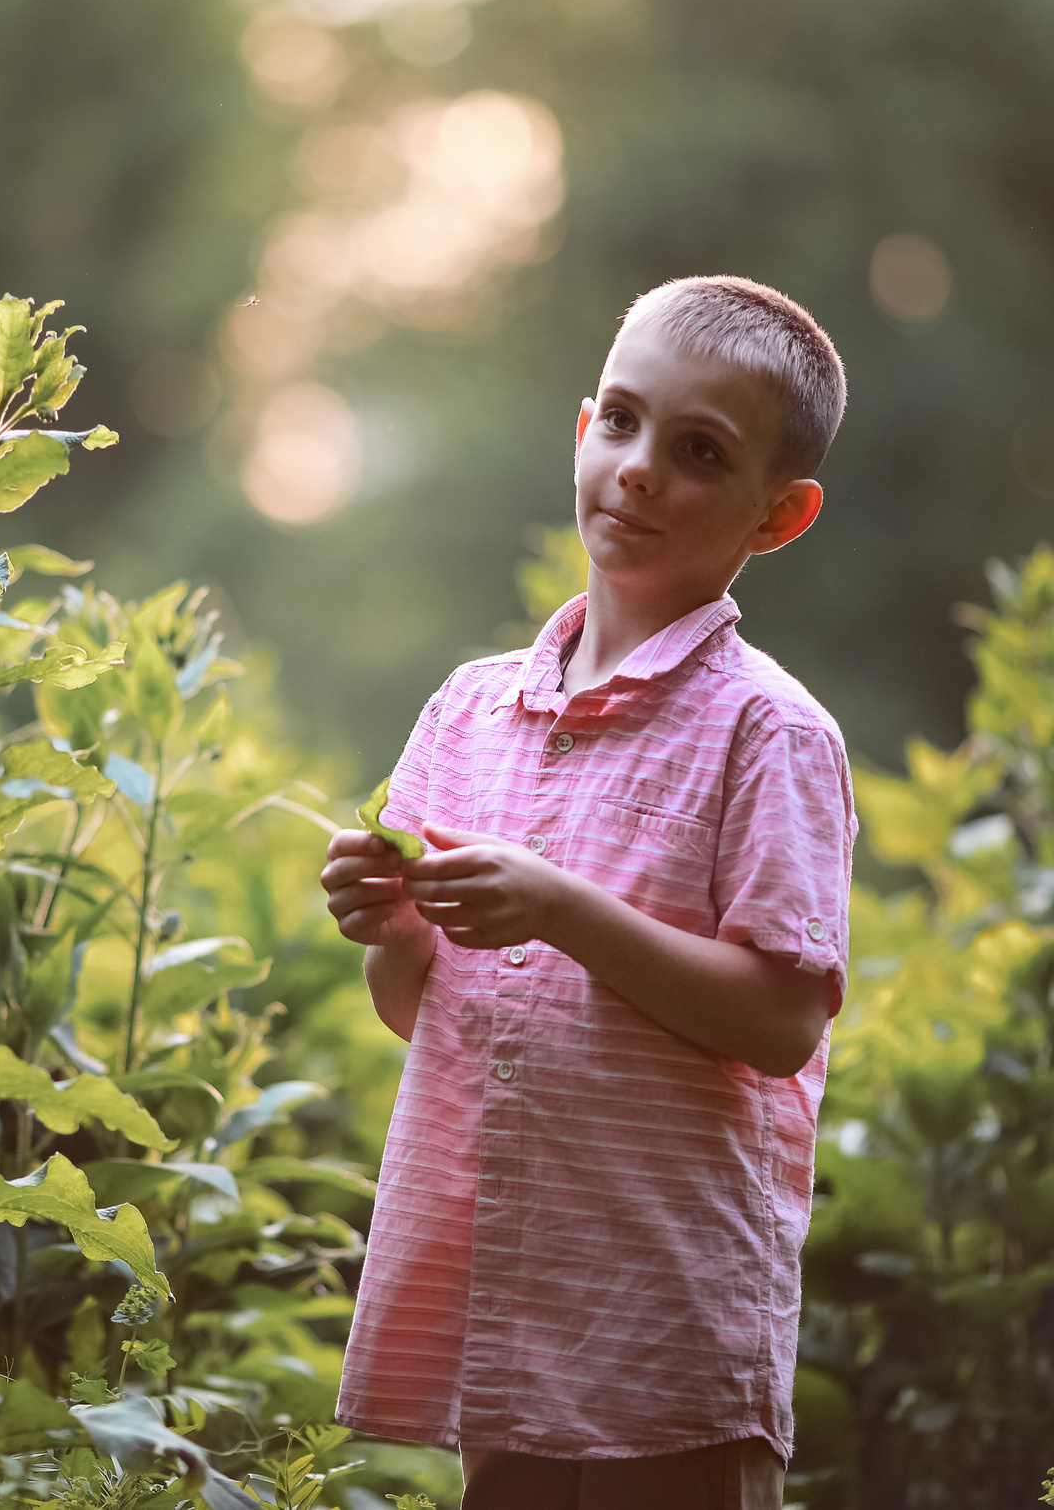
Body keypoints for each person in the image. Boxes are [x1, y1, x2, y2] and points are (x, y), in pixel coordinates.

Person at [321, 275, 854, 1510]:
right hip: (508, 1314)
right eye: (620, 423)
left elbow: (781, 1018)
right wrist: (390, 924)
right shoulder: (466, 711)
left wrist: (560, 909)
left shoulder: (766, 733)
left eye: (699, 452)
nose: (640, 470)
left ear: (779, 516)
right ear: (580, 432)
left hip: (663, 1329)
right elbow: (421, 1010)